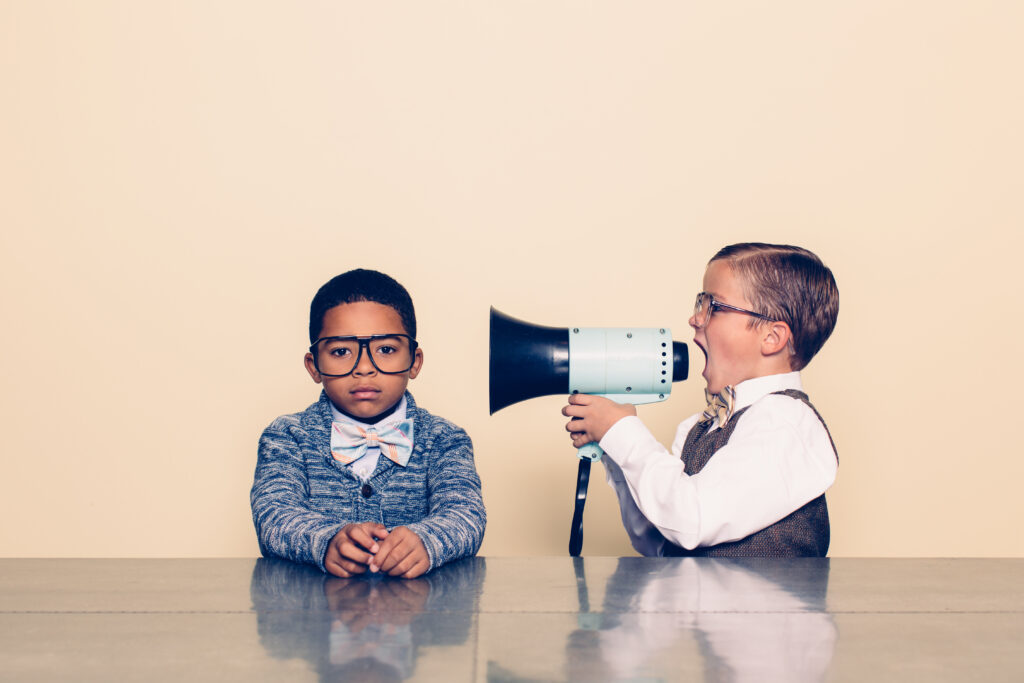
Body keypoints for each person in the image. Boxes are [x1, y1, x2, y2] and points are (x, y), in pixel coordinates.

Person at [562, 243, 839, 556]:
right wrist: (613, 448)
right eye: (699, 302)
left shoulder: (784, 423)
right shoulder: (700, 428)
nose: (695, 319)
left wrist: (624, 430)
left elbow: (690, 519)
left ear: (771, 338)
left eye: (713, 306)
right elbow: (659, 539)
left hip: (761, 606)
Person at [251, 269, 485, 579]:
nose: (364, 368)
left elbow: (465, 514)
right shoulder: (287, 437)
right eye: (340, 351)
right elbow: (274, 514)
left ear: (414, 361)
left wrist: (428, 542)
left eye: (386, 350)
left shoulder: (445, 439)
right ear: (314, 366)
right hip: (312, 617)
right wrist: (326, 541)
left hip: (424, 619)